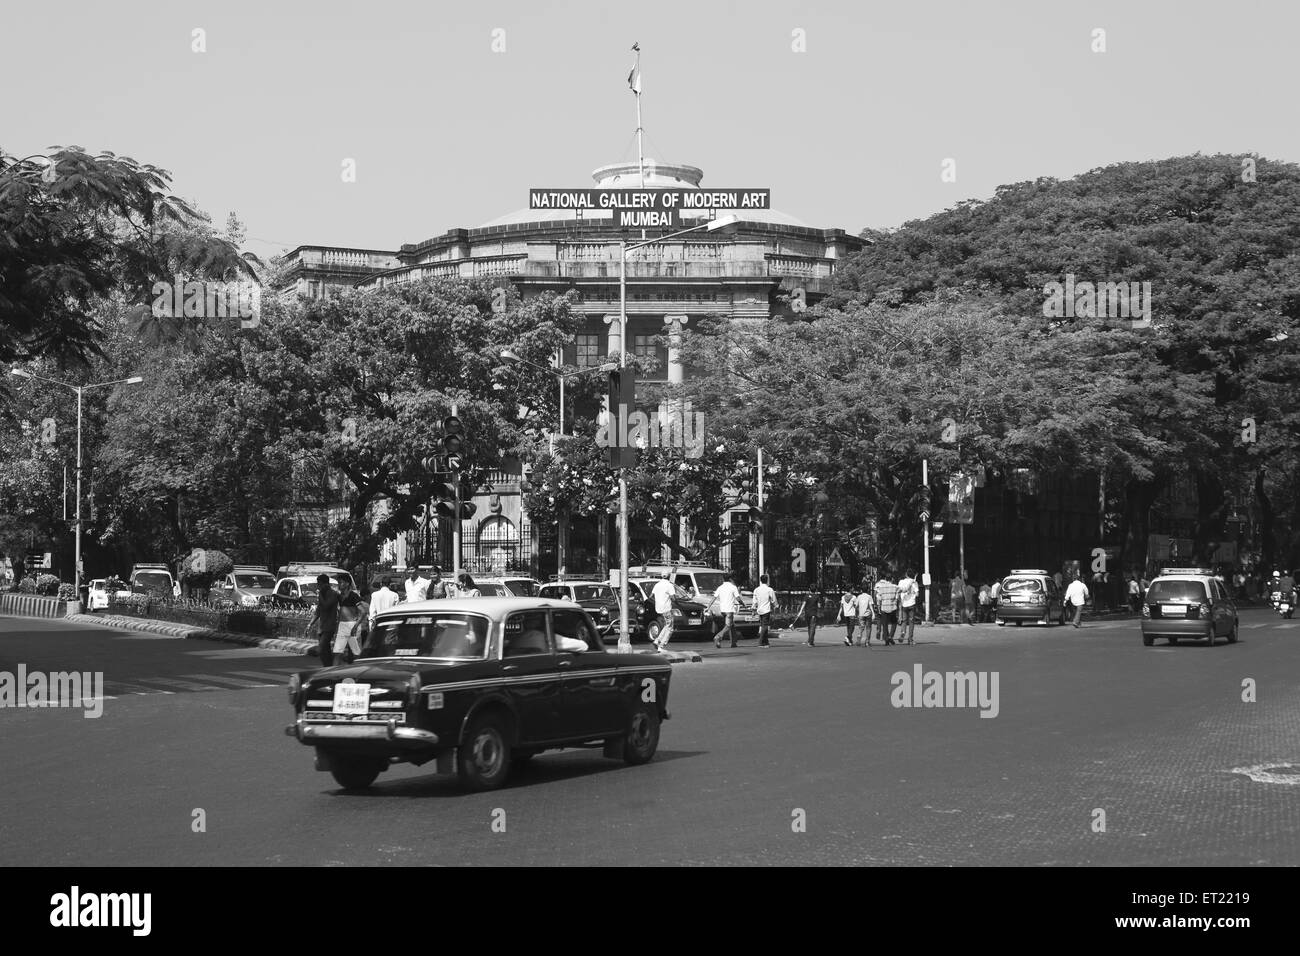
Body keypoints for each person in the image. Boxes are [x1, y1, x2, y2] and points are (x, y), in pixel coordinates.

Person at [306, 574, 340, 666]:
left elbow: (326, 606)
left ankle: (329, 667)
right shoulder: (322, 595)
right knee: (325, 652)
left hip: (329, 626)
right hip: (322, 627)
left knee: (321, 648)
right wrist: (310, 624)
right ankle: (328, 668)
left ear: (326, 584)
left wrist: (320, 595)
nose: (318, 586)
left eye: (320, 584)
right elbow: (318, 611)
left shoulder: (333, 594)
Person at [713, 571, 742, 648]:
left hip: (723, 610)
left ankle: (733, 642)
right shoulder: (733, 587)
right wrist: (742, 604)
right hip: (729, 610)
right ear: (730, 579)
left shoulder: (720, 587)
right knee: (728, 626)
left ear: (723, 579)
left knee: (731, 625)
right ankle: (718, 636)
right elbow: (738, 598)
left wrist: (708, 607)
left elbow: (714, 598)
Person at [651, 569, 678, 651]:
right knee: (670, 628)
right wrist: (676, 601)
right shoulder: (669, 585)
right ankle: (661, 646)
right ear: (669, 576)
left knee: (667, 625)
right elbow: (673, 598)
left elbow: (651, 595)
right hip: (666, 608)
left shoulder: (657, 585)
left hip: (659, 608)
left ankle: (657, 640)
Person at [874, 571, 900, 645]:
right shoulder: (895, 587)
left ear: (886, 579)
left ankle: (886, 639)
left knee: (884, 624)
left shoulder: (881, 588)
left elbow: (878, 598)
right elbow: (897, 598)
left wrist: (878, 607)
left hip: (884, 607)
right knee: (894, 622)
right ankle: (890, 636)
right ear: (891, 579)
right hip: (893, 607)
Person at [752, 573, 777, 647]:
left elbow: (754, 601)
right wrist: (776, 605)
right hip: (766, 610)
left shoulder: (756, 590)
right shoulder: (769, 589)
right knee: (765, 626)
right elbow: (774, 600)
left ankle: (766, 642)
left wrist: (753, 610)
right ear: (767, 580)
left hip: (760, 610)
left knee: (763, 625)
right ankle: (760, 641)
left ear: (761, 581)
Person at [897, 569, 919, 645]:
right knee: (911, 622)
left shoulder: (901, 582)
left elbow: (899, 591)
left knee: (904, 620)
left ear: (906, 574)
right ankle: (910, 639)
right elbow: (917, 594)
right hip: (912, 603)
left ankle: (903, 632)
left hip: (904, 604)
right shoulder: (914, 582)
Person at [799, 581, 822, 646]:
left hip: (807, 614)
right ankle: (810, 641)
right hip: (813, 614)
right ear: (816, 590)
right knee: (813, 628)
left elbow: (803, 604)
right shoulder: (817, 597)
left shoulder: (806, 596)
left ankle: (810, 640)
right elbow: (819, 606)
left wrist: (800, 611)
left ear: (809, 589)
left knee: (809, 627)